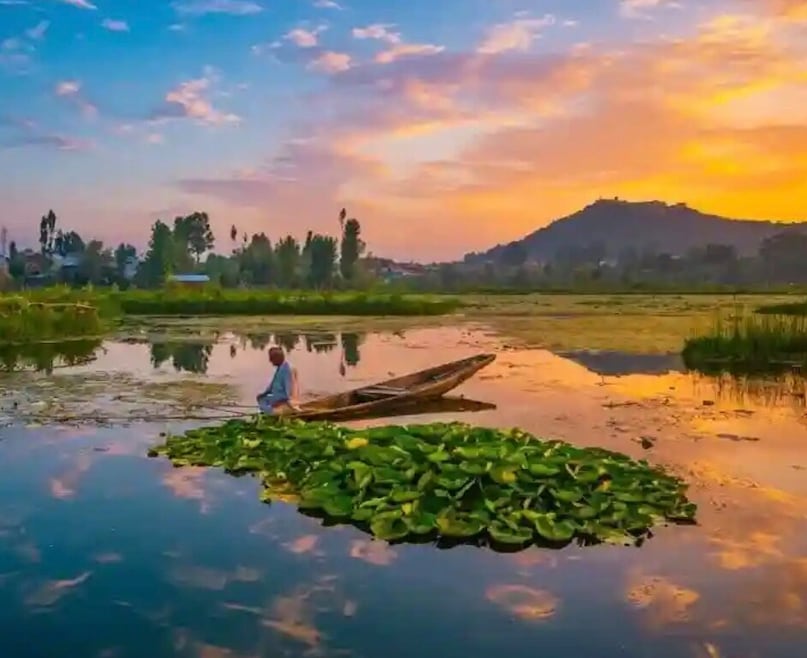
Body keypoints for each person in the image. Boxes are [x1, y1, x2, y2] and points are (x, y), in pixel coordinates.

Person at [256, 346, 299, 415]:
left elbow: (289, 391)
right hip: (277, 397)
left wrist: (280, 402)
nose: (270, 361)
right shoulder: (280, 368)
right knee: (261, 399)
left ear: (277, 358)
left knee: (265, 405)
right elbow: (272, 386)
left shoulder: (287, 369)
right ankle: (268, 410)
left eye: (271, 358)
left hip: (285, 401)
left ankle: (273, 412)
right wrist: (263, 394)